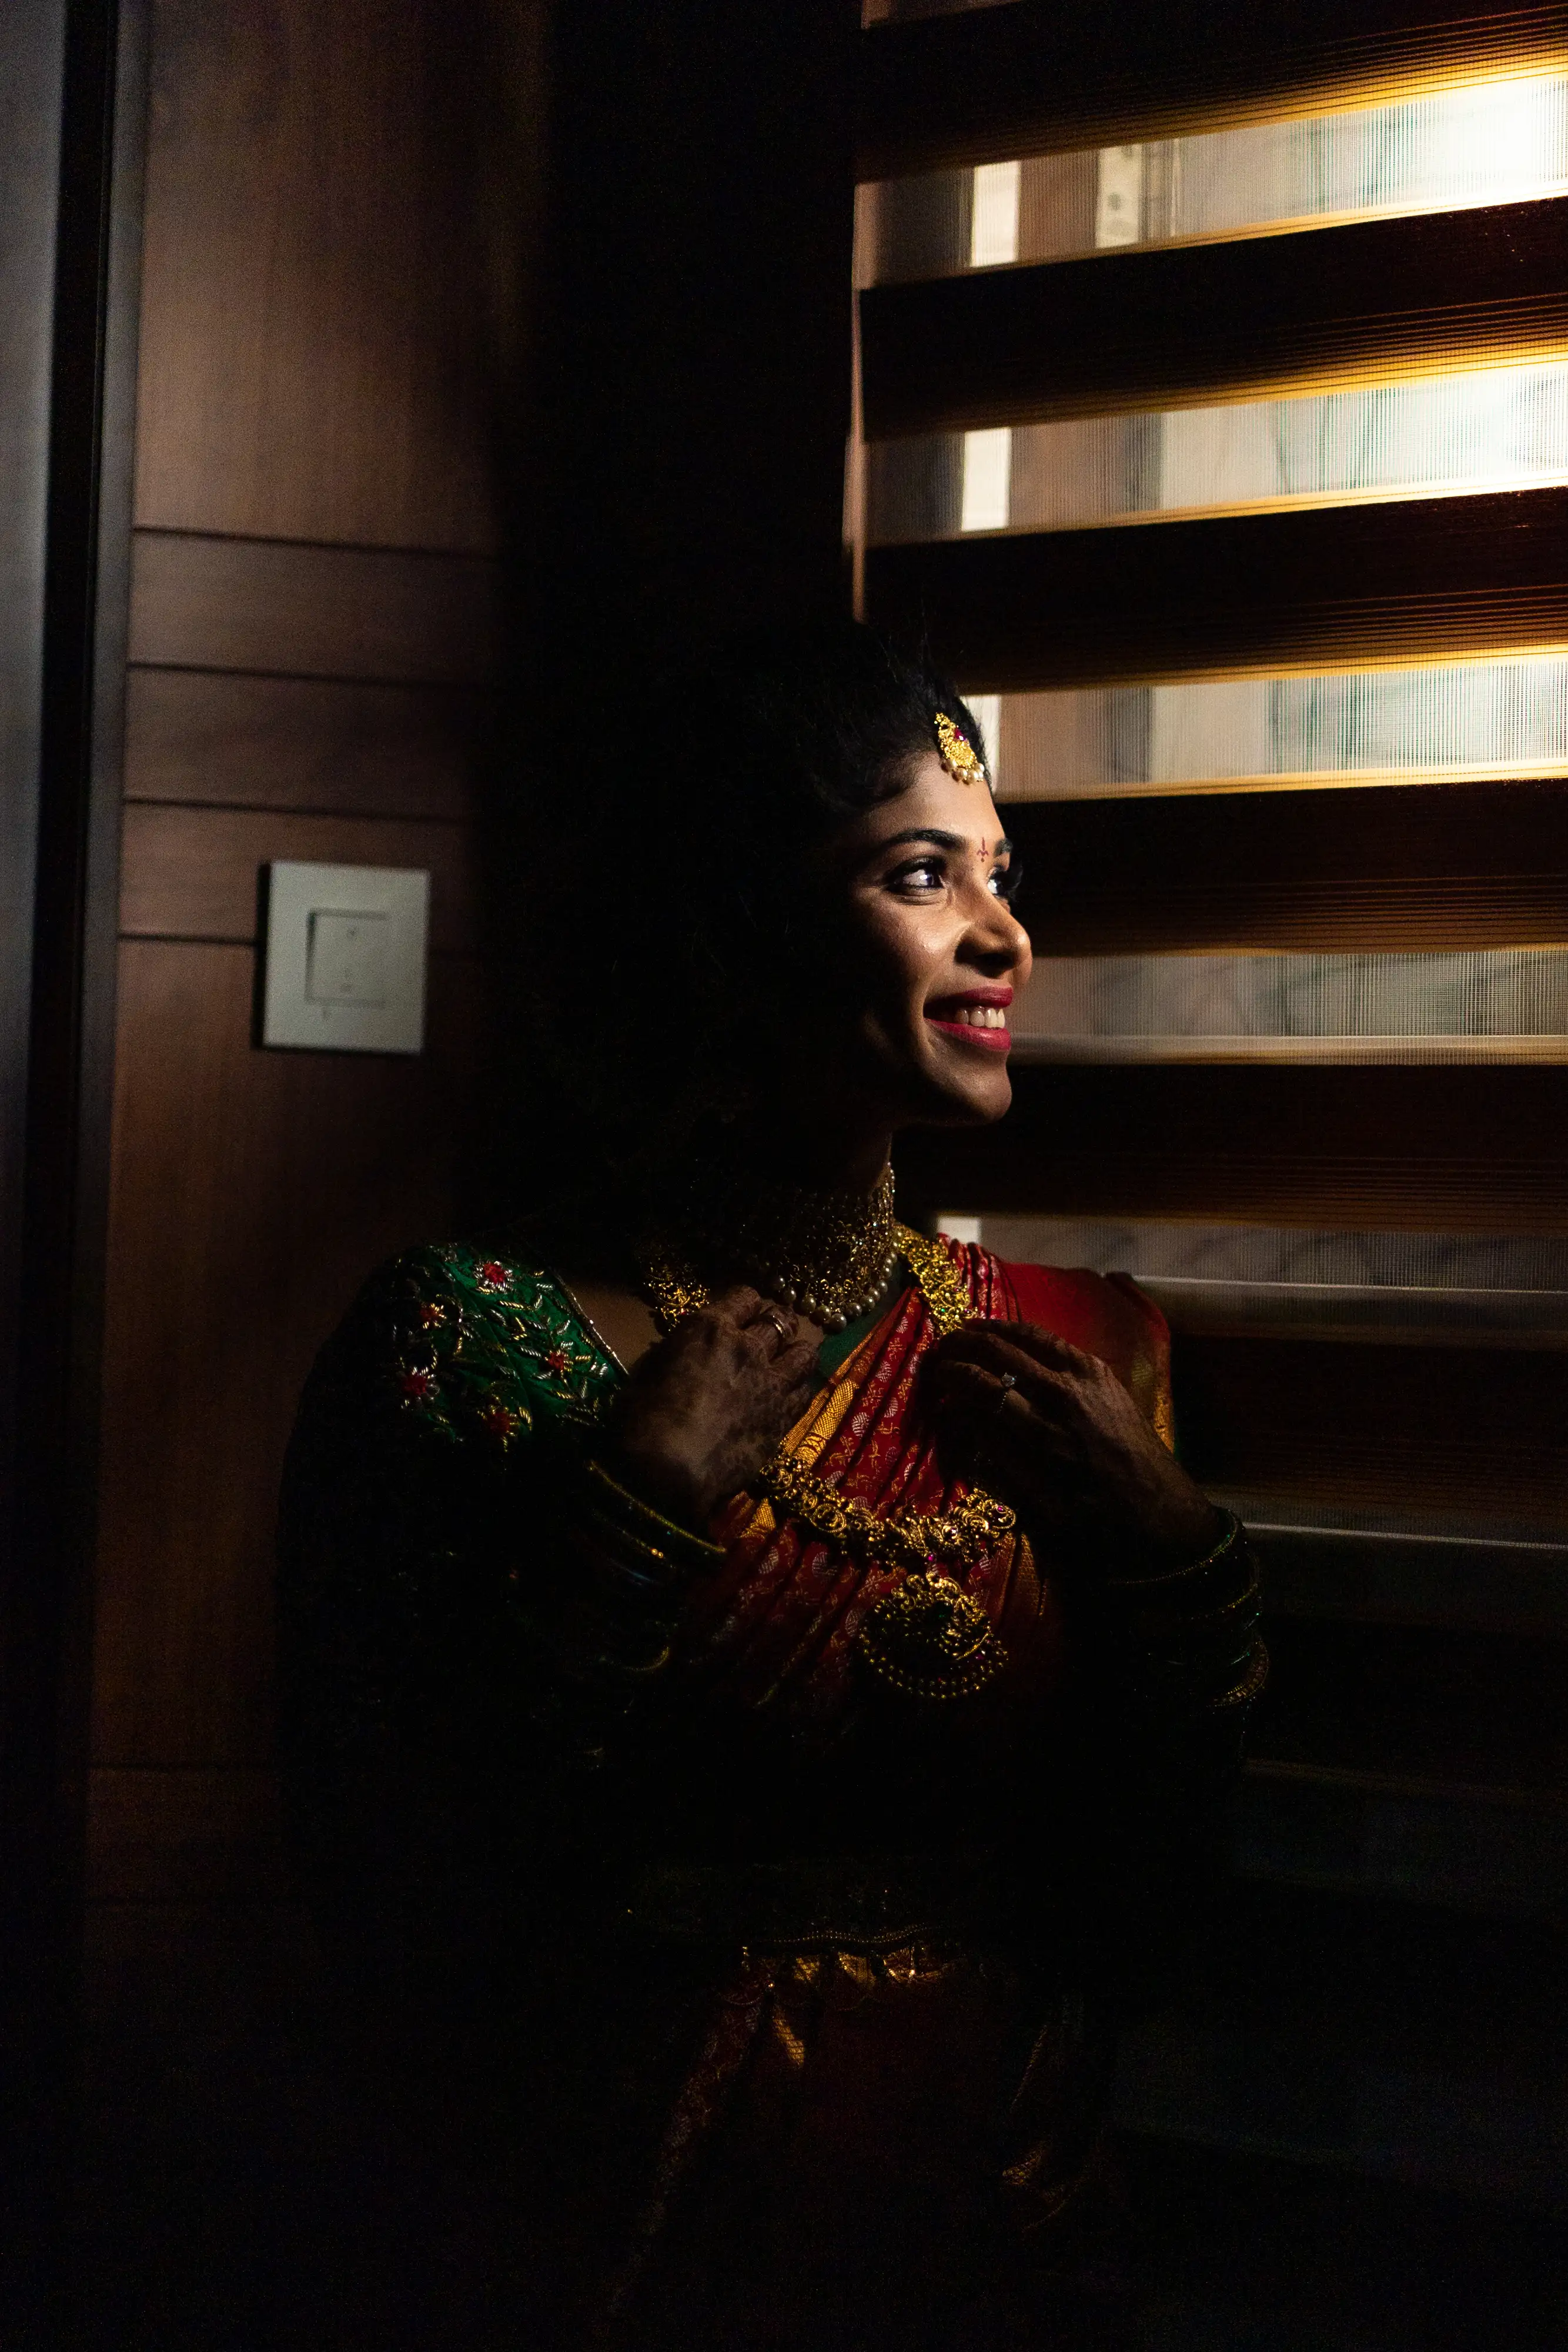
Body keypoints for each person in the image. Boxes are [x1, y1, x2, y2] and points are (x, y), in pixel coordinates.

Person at [278, 624, 1265, 2351]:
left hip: (994, 2211)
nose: (1005, 932)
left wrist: (1184, 1571)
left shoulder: (1086, 1356)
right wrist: (628, 1514)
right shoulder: (480, 1337)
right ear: (736, 930)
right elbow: (393, 1874)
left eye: (1004, 876)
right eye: (919, 872)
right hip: (607, 2206)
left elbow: (1163, 1901)